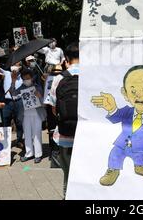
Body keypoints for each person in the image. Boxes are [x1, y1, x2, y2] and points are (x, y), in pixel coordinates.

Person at [53, 42, 79, 198]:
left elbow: (54, 108)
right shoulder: (92, 76)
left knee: (68, 171)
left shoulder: (59, 78)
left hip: (65, 134)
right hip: (87, 134)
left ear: (66, 59)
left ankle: (67, 195)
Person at [10, 68, 46, 164]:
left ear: (32, 78)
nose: (26, 80)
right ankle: (29, 153)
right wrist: (13, 81)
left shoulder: (37, 87)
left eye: (28, 78)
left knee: (37, 134)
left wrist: (39, 97)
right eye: (24, 78)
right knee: (27, 134)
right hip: (25, 115)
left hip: (37, 114)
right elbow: (13, 95)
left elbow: (44, 103)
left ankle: (38, 154)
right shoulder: (21, 88)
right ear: (22, 79)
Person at [1, 61, 24, 147]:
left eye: (17, 65)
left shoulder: (22, 77)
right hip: (7, 102)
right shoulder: (6, 73)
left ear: (20, 67)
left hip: (19, 101)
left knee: (19, 122)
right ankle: (5, 142)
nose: (14, 66)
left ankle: (19, 140)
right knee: (5, 121)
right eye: (13, 64)